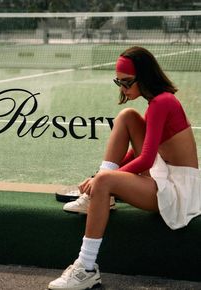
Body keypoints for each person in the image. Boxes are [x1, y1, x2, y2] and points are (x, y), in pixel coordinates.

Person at [48, 46, 201, 290]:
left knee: (106, 181)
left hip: (177, 191)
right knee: (127, 116)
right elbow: (139, 152)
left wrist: (103, 179)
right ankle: (100, 196)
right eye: (118, 82)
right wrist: (99, 176)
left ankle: (85, 268)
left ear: (145, 76)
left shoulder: (163, 103)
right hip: (165, 172)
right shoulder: (156, 103)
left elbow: (147, 159)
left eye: (127, 82)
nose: (122, 88)